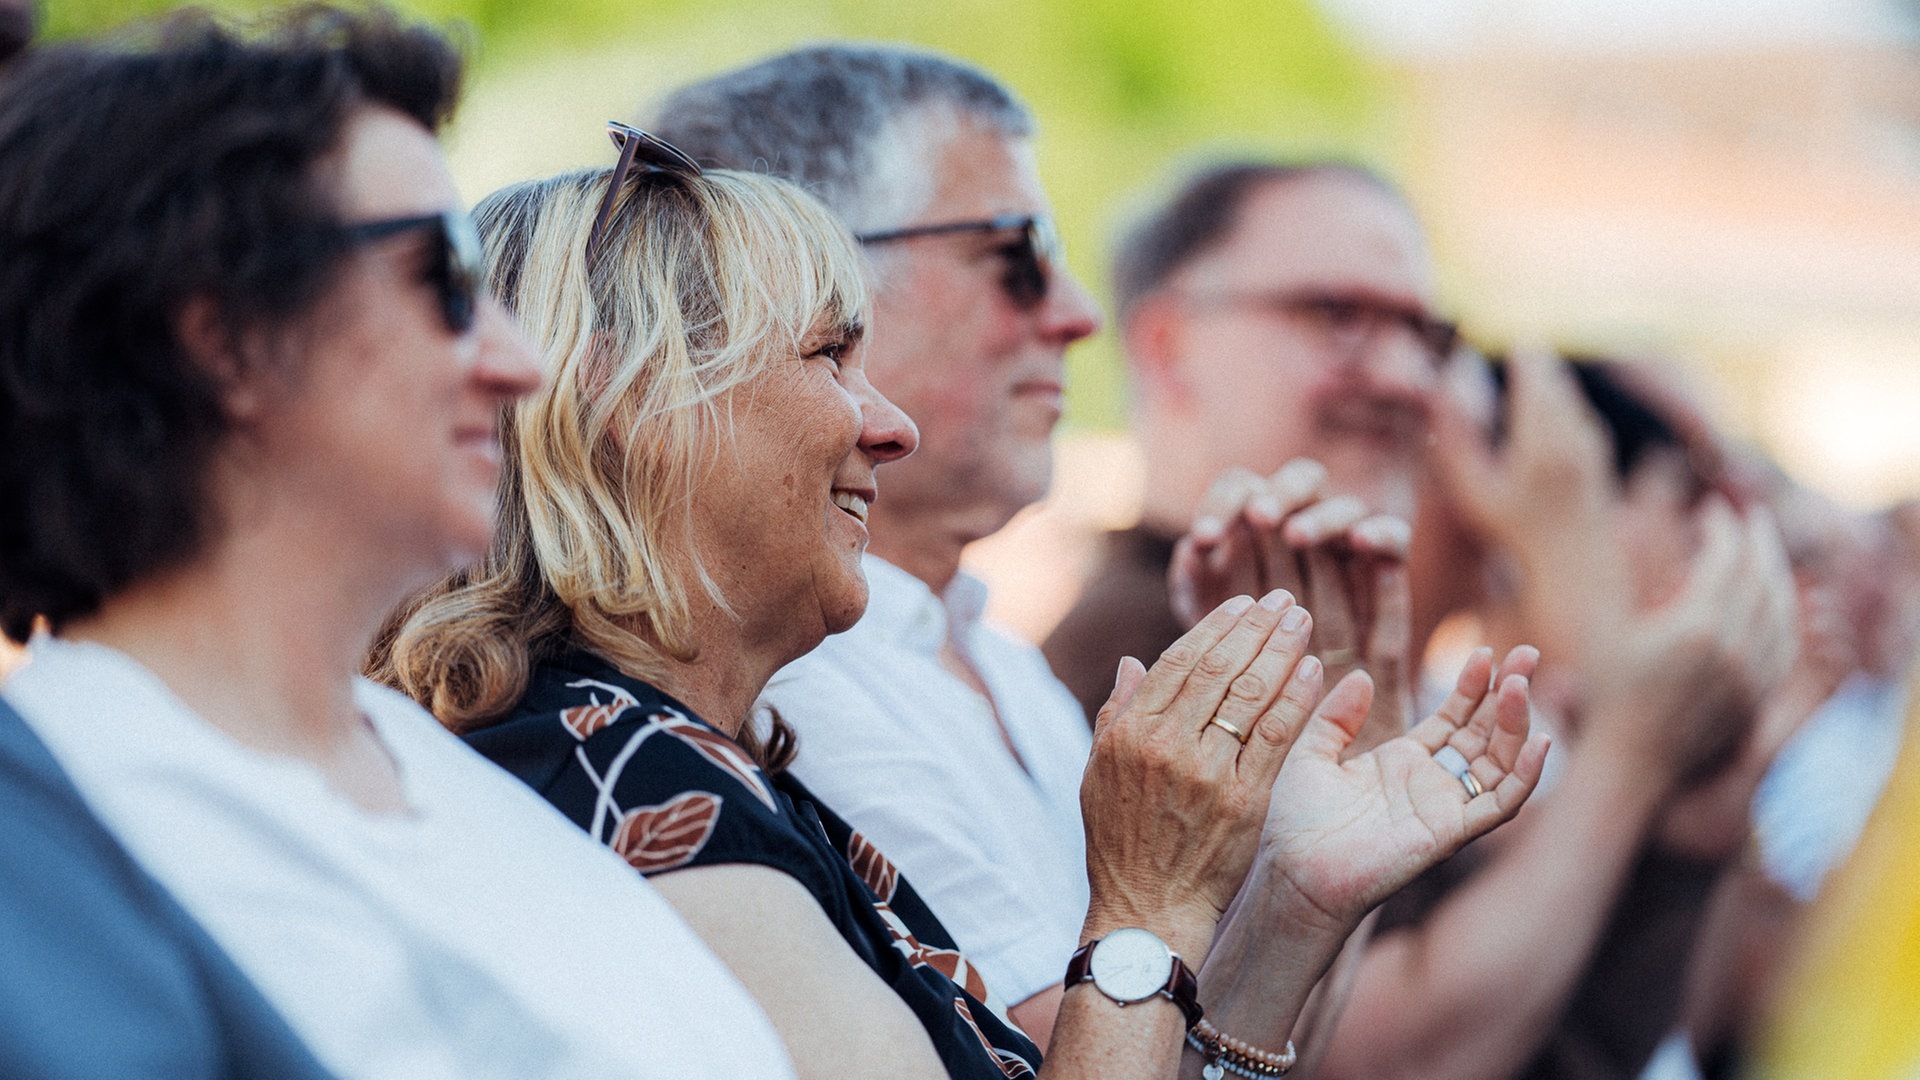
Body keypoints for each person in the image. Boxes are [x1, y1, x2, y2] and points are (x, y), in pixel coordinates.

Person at [376, 121, 1550, 1080]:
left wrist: (1290, 895)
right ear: (632, 402)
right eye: (829, 356)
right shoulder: (619, 785)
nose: (889, 427)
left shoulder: (696, 762)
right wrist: (1145, 903)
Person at [0, 10, 790, 1078]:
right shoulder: (58, 842)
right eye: (447, 279)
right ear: (225, 339)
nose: (523, 364)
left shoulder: (419, 761)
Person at [648, 54, 1420, 1066]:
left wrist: (1316, 817)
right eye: (1017, 255)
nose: (1075, 313)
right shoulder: (782, 675)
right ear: (803, 280)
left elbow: (1215, 1051)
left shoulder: (993, 660)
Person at [1044, 160, 1446, 728]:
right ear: (1168, 349)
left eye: (1424, 333)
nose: (1407, 377)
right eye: (1340, 315)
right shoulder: (1129, 684)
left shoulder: (1313, 647)